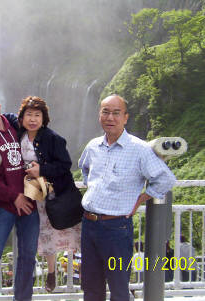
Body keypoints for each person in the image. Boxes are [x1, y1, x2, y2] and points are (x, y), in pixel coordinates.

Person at [78, 94, 176, 301]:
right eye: (105, 112)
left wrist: (141, 198)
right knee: (90, 285)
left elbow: (165, 179)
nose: (110, 117)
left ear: (125, 117)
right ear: (99, 115)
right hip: (88, 224)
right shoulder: (93, 145)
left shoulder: (139, 149)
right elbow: (84, 169)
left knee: (119, 287)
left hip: (116, 229)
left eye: (116, 113)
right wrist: (96, 190)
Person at [9, 96, 81, 292]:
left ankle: (51, 272)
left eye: (37, 115)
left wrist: (41, 170)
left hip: (48, 196)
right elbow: (3, 117)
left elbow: (65, 165)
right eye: (29, 115)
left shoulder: (52, 138)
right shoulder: (18, 133)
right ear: (21, 118)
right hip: (27, 196)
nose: (33, 119)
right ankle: (31, 274)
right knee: (33, 238)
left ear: (44, 118)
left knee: (49, 234)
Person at [0, 92, 40, 301]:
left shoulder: (17, 127)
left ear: (0, 106)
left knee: (28, 257)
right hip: (3, 206)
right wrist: (14, 197)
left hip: (29, 202)